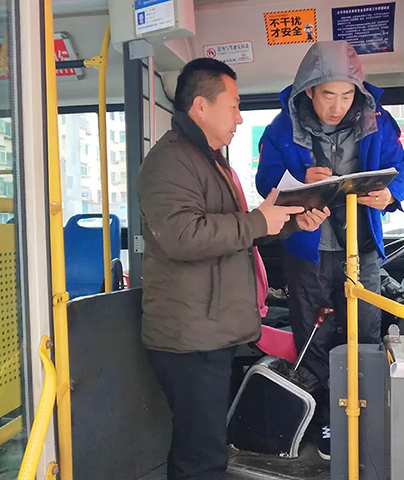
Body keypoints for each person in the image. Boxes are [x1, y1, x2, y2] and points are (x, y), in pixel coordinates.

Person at [137, 57, 329, 480]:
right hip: (190, 337)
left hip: (210, 329)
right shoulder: (170, 162)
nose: (240, 118)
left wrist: (291, 221)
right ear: (201, 107)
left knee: (205, 445)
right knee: (200, 455)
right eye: (234, 106)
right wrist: (259, 219)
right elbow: (183, 236)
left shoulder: (208, 159)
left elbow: (235, 231)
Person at [255, 40, 404, 460]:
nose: (338, 106)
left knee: (366, 335)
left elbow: (400, 169)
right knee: (314, 337)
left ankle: (366, 418)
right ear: (309, 91)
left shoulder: (378, 120)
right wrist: (299, 176)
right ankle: (327, 419)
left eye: (346, 95)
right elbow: (266, 179)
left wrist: (391, 195)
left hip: (363, 250)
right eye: (328, 95)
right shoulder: (281, 128)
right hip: (309, 251)